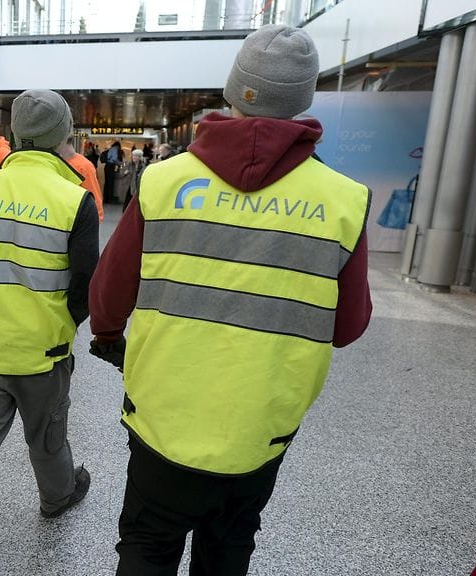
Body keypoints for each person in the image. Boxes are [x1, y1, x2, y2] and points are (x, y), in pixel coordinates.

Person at [88, 25, 372, 575]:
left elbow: (109, 292)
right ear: (303, 100)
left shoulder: (165, 180)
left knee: (148, 543)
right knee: (229, 546)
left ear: (232, 89)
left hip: (162, 414)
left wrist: (108, 336)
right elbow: (347, 325)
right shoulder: (342, 200)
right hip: (261, 423)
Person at [0, 89, 100, 576]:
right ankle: (56, 496)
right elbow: (87, 286)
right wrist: (60, 322)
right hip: (45, 353)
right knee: (47, 436)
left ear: (14, 136)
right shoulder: (76, 200)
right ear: (62, 137)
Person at [59, 136, 104, 222]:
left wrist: (95, 220)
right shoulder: (54, 162)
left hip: (75, 221)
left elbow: (94, 197)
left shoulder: (84, 166)